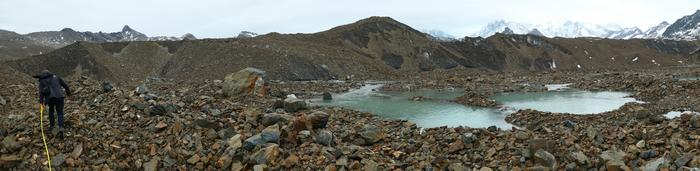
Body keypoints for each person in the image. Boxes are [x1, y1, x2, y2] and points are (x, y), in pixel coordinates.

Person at [33, 70, 71, 138]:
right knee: (60, 113)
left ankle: (52, 126)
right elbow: (65, 85)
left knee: (51, 111)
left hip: (50, 99)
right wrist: (69, 94)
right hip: (60, 97)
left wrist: (41, 103)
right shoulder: (56, 77)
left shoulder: (42, 81)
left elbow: (41, 93)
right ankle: (61, 128)